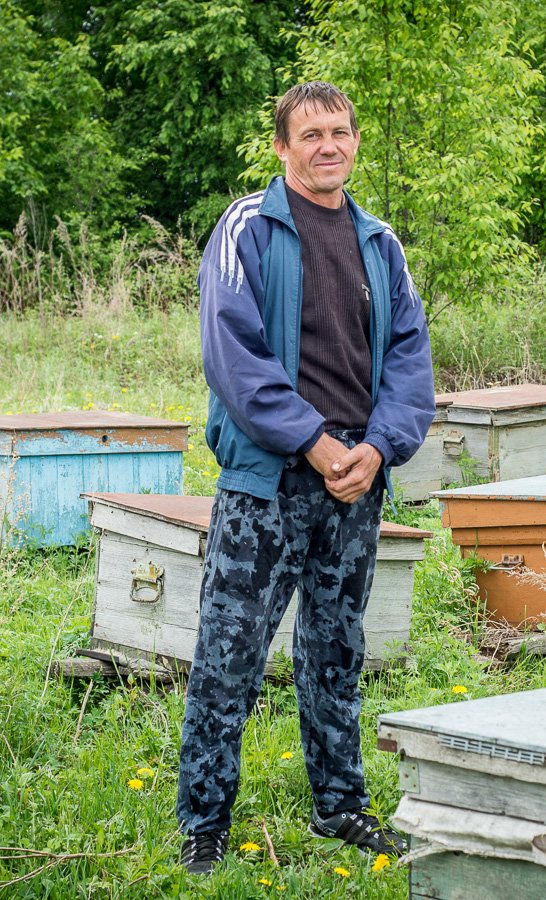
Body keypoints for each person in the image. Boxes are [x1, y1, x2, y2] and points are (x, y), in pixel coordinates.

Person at [176, 80, 435, 875]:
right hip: (269, 481)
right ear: (282, 147)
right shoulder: (247, 227)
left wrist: (379, 449)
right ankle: (204, 823)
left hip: (355, 481)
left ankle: (341, 807)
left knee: (337, 652)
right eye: (311, 133)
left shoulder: (380, 242)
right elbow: (234, 356)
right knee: (230, 655)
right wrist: (314, 443)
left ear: (355, 141)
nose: (329, 146)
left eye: (340, 132)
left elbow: (411, 361)